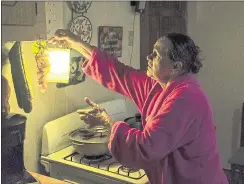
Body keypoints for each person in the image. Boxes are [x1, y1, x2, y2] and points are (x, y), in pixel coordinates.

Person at [48, 29, 229, 184]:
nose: (148, 57)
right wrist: (75, 43)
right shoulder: (160, 86)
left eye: (156, 54)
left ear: (176, 67)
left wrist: (107, 123)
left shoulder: (186, 98)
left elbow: (146, 147)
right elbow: (120, 73)